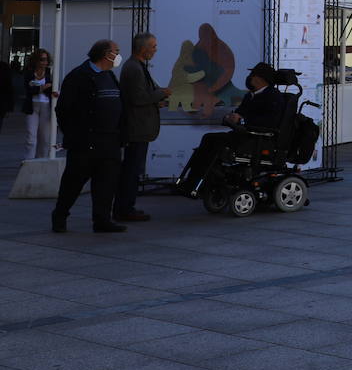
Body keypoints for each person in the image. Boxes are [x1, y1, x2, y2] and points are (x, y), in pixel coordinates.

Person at [177, 62, 285, 198]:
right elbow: (241, 112)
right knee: (208, 138)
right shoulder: (251, 95)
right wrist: (234, 117)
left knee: (216, 144)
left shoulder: (273, 96)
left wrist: (243, 120)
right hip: (244, 135)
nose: (250, 78)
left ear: (260, 78)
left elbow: (270, 121)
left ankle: (199, 185)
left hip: (258, 139)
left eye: (252, 75)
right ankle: (192, 183)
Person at [52, 40, 125, 233]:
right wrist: (75, 134)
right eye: (116, 51)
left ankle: (102, 220)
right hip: (85, 142)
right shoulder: (78, 76)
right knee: (73, 182)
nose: (118, 55)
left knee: (106, 184)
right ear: (105, 54)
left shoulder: (109, 75)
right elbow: (63, 109)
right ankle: (60, 216)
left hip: (109, 141)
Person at [115, 33, 169, 223]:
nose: (155, 50)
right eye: (153, 46)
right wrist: (161, 93)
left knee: (132, 168)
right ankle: (125, 208)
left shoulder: (136, 67)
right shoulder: (133, 68)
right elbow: (138, 98)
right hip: (136, 128)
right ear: (143, 48)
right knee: (132, 170)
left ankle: (125, 206)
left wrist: (157, 100)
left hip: (140, 127)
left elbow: (142, 96)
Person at [23, 49, 54, 160]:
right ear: (36, 60)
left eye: (46, 60)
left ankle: (41, 162)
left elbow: (52, 90)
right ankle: (29, 162)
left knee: (45, 139)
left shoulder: (50, 73)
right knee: (31, 138)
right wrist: (42, 88)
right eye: (42, 59)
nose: (44, 62)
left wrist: (37, 89)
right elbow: (28, 90)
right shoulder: (29, 72)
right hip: (32, 107)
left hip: (46, 107)